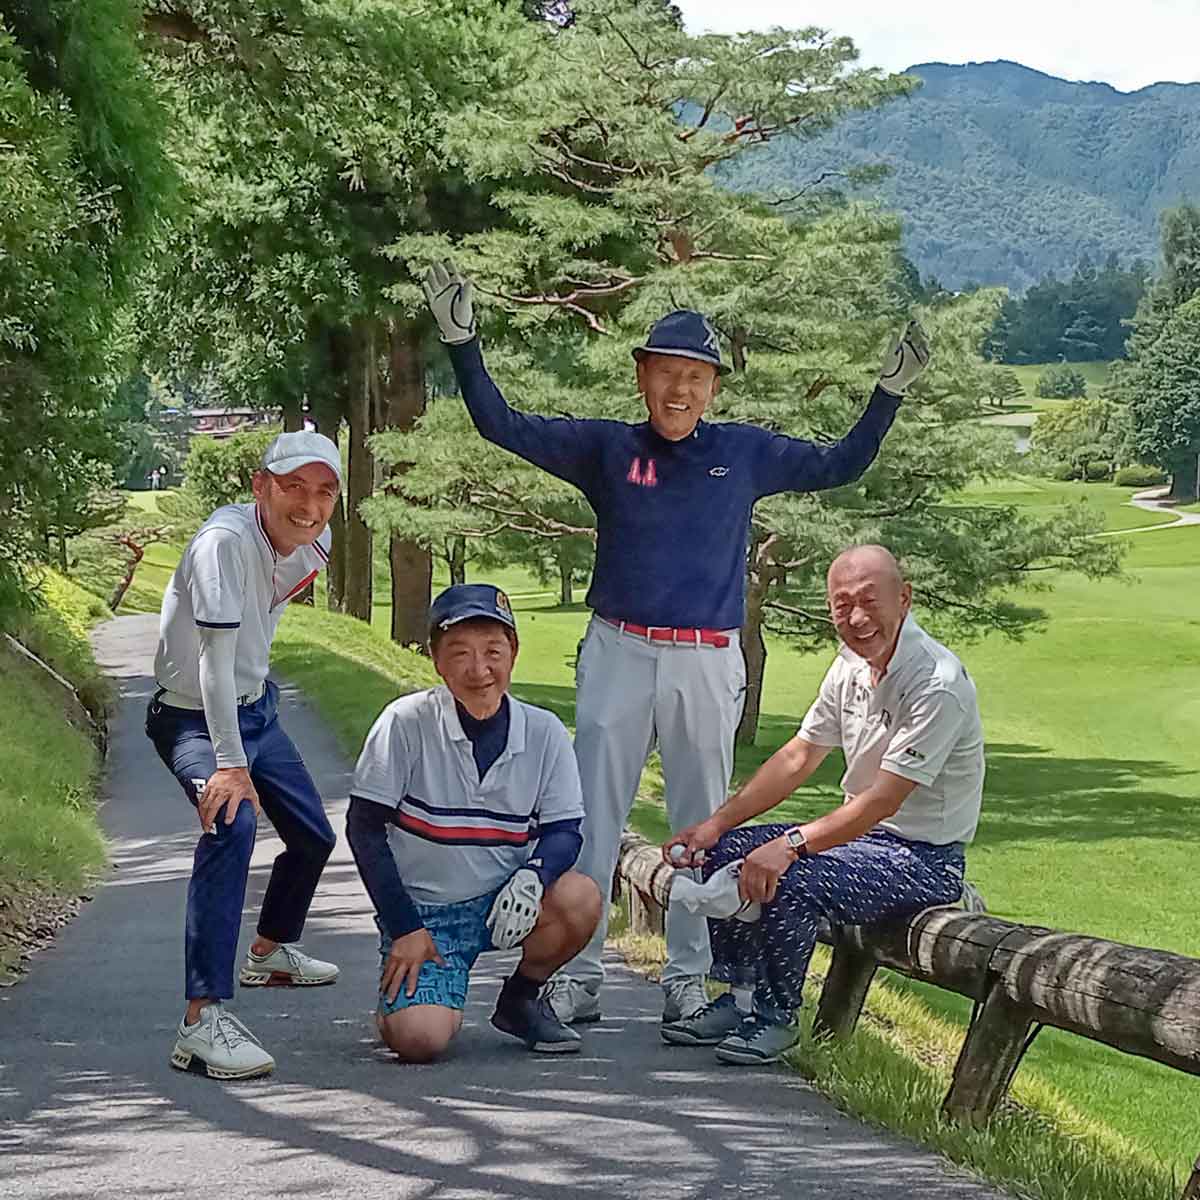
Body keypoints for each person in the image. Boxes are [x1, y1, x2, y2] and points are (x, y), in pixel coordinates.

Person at [422, 261, 931, 1031]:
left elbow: (840, 464)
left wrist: (886, 395)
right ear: (643, 378)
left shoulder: (744, 453)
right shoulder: (607, 449)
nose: (680, 390)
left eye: (695, 376)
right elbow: (504, 425)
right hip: (619, 648)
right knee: (593, 812)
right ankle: (577, 974)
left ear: (713, 387)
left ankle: (689, 978)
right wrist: (462, 341)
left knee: (704, 819)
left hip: (705, 656)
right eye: (666, 374)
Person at [661, 544, 984, 1064]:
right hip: (861, 843)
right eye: (841, 604)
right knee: (728, 850)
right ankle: (739, 996)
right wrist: (714, 825)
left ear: (904, 599)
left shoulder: (936, 684)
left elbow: (883, 799)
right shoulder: (850, 666)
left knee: (793, 879)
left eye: (869, 601)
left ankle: (776, 1018)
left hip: (923, 858)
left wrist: (789, 846)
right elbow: (799, 756)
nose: (856, 618)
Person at [146, 431, 343, 1080]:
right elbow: (214, 665)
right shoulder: (221, 545)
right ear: (260, 486)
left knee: (312, 836)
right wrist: (230, 765)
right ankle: (200, 1023)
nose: (310, 506)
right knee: (231, 825)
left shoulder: (316, 540)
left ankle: (270, 950)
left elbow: (264, 619)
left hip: (254, 708)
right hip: (192, 717)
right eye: (294, 487)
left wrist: (251, 724)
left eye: (325, 492)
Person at [346, 583, 601, 1062]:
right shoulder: (405, 722)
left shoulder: (543, 731)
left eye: (493, 651)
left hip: (504, 900)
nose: (479, 670)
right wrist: (403, 927)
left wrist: (533, 876)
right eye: (459, 653)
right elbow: (364, 829)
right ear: (436, 660)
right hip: (425, 914)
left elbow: (565, 830)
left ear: (514, 653)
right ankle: (415, 1002)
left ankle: (520, 999)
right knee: (419, 1041)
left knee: (580, 897)